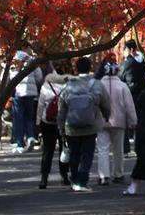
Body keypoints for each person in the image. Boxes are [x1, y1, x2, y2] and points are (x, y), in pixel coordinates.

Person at [57, 56, 111, 192]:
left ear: (76, 69)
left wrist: (61, 125)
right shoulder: (96, 84)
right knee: (87, 154)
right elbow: (106, 103)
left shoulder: (68, 85)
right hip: (90, 124)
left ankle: (74, 178)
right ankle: (82, 180)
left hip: (71, 125)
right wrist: (106, 116)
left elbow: (62, 108)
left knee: (74, 153)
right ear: (90, 68)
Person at [95, 61, 137, 186]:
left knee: (102, 149)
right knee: (118, 149)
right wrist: (133, 121)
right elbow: (129, 106)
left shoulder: (99, 85)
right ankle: (118, 174)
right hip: (119, 121)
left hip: (101, 121)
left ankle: (103, 176)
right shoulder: (123, 86)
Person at [36, 63, 71, 188]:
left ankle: (44, 178)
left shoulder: (46, 86)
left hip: (47, 122)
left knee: (48, 151)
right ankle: (64, 175)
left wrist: (38, 121)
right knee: (64, 149)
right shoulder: (68, 85)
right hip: (64, 123)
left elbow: (40, 106)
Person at [118, 40, 145, 154]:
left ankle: (125, 149)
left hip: (129, 95)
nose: (123, 52)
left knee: (126, 123)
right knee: (139, 122)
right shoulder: (144, 63)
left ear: (130, 50)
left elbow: (120, 78)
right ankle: (139, 147)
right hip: (142, 96)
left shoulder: (127, 64)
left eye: (124, 50)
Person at [10, 52, 43, 153]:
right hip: (31, 94)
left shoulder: (14, 64)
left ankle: (20, 143)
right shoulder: (32, 62)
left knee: (18, 118)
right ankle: (31, 137)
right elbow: (39, 78)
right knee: (29, 117)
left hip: (19, 94)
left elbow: (9, 79)